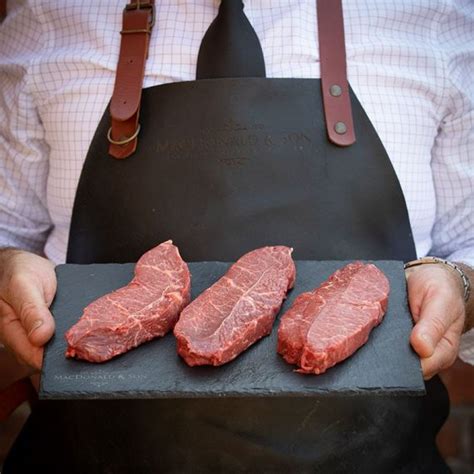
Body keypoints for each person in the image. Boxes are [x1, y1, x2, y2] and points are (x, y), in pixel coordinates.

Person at [0, 0, 473, 472]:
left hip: (376, 458)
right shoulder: (47, 23)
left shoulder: (433, 23)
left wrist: (460, 285)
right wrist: (7, 269)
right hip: (88, 458)